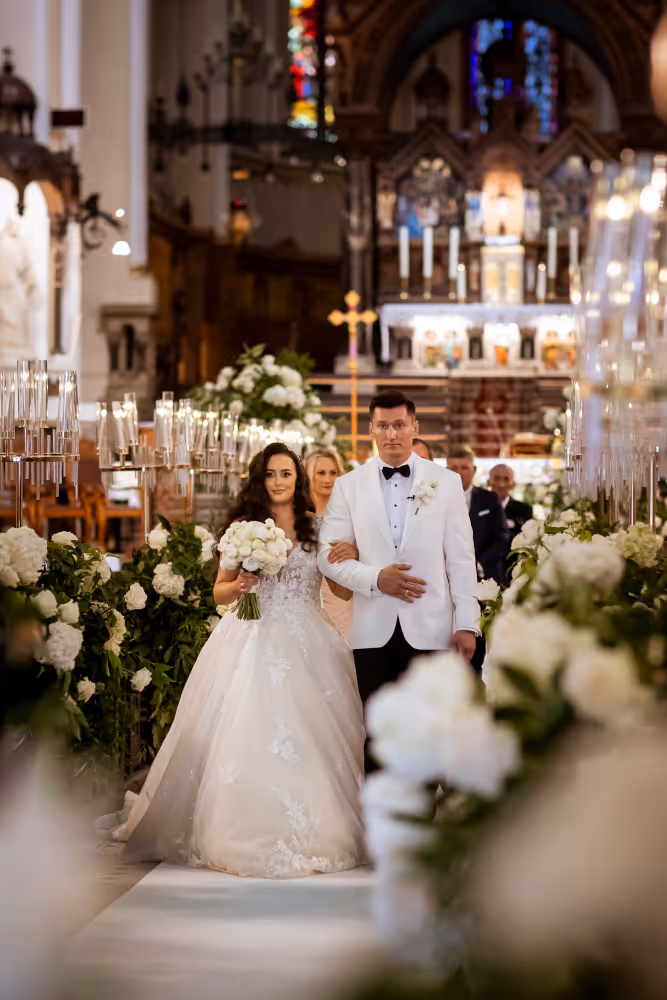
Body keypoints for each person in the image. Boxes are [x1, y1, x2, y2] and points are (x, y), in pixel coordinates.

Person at [108, 442, 366, 878]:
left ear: (297, 480)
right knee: (244, 725)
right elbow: (219, 593)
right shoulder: (243, 527)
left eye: (287, 474)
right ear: (259, 479)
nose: (279, 482)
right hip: (251, 636)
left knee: (313, 733)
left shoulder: (318, 528)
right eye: (271, 474)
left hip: (310, 641)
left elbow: (339, 592)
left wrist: (351, 560)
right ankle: (238, 827)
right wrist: (242, 583)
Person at [318, 389, 480, 772]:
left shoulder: (447, 482)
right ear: (372, 429)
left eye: (400, 425)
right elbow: (328, 555)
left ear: (414, 427)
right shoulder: (348, 485)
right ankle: (382, 824)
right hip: (373, 630)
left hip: (432, 628)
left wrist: (467, 623)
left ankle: (423, 821)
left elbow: (461, 559)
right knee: (377, 733)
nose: (392, 434)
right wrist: (376, 578)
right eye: (383, 425)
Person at [305, 448, 356, 642]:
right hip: (308, 594)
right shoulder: (298, 515)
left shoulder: (349, 512)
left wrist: (355, 551)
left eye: (333, 473)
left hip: (342, 592)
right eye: (321, 473)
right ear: (310, 476)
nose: (328, 479)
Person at [446, 446, 509, 586]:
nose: (458, 472)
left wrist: (479, 563)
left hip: (484, 577)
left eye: (464, 467)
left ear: (473, 470)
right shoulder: (436, 499)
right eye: (453, 467)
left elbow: (502, 537)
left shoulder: (490, 499)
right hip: (447, 579)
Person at [488, 463, 533, 547]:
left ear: (513, 484)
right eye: (497, 478)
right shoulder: (478, 507)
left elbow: (527, 539)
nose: (501, 484)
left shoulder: (524, 510)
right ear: (489, 483)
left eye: (506, 479)